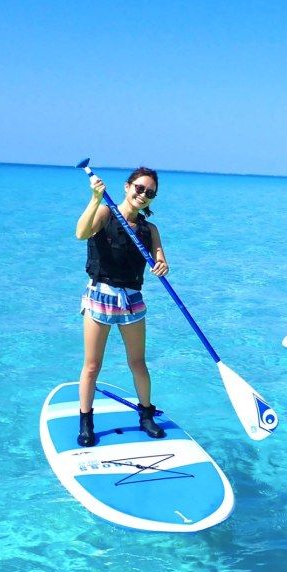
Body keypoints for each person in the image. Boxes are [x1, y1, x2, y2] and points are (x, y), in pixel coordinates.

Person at [74, 167, 169, 447]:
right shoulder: (105, 213)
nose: (143, 195)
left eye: (149, 193)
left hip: (132, 300)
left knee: (138, 363)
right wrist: (95, 199)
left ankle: (146, 414)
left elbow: (161, 259)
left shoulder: (150, 230)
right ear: (127, 187)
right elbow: (81, 233)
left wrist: (162, 265)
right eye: (139, 188)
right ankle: (86, 421)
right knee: (92, 366)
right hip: (100, 295)